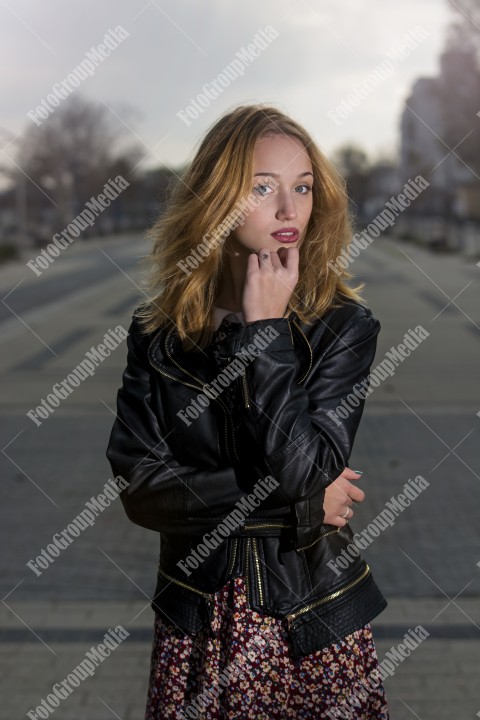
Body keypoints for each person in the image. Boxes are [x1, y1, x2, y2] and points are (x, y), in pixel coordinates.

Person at [106, 103, 389, 719]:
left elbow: (300, 467)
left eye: (303, 188)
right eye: (263, 188)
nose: (290, 211)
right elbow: (141, 488)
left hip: (308, 619)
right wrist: (307, 504)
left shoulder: (344, 327)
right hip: (197, 618)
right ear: (215, 199)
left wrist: (265, 333)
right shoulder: (158, 335)